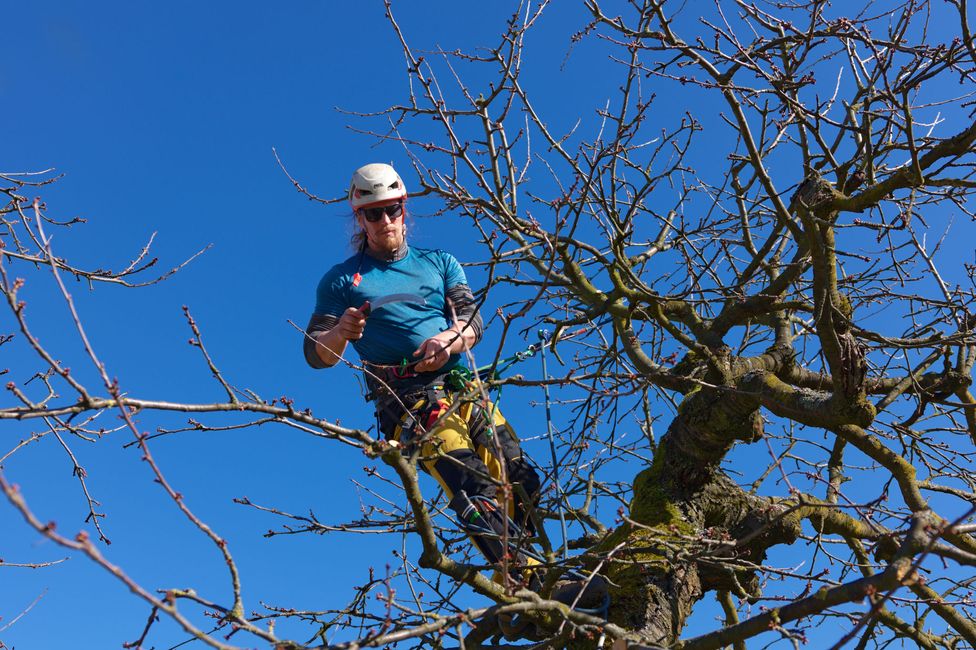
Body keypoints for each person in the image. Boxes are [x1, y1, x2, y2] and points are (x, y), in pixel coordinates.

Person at [303, 162, 542, 575]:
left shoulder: (440, 263)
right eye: (373, 213)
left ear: (404, 208)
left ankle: (540, 566)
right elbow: (315, 352)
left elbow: (472, 319)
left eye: (391, 209)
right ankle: (527, 578)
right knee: (472, 482)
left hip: (463, 387)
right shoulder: (341, 282)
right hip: (410, 401)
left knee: (521, 479)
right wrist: (342, 331)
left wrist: (450, 339)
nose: (384, 220)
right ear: (359, 217)